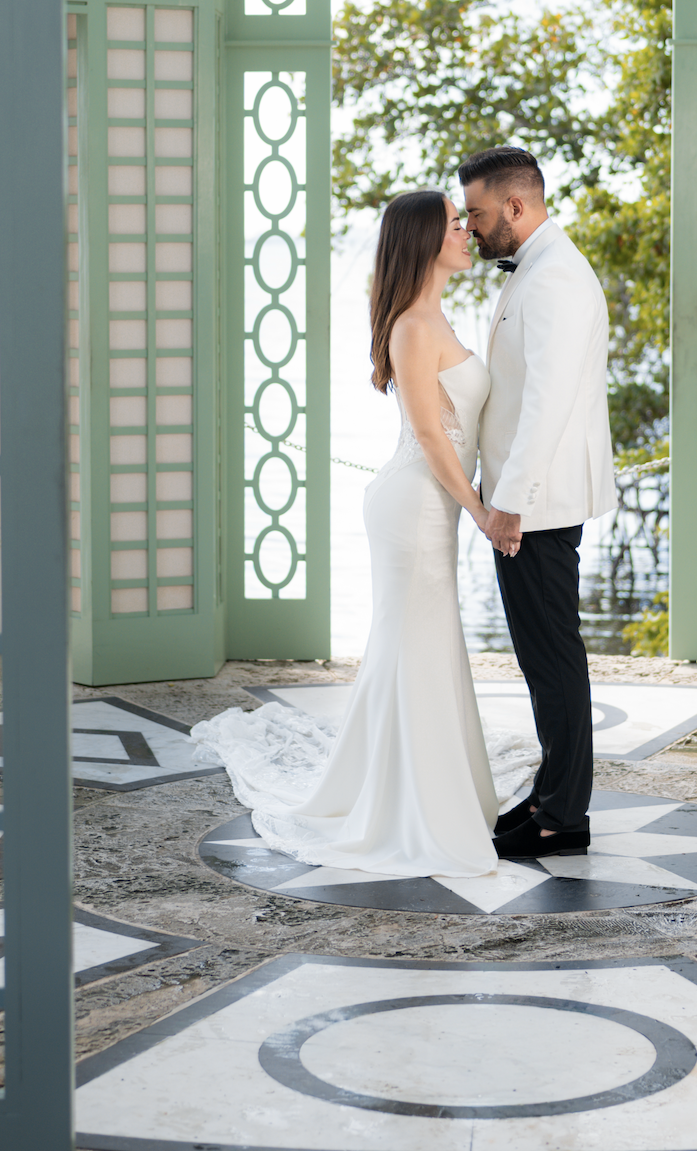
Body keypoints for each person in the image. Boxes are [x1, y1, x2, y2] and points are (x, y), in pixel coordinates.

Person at [192, 190, 535, 878]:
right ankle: (408, 803)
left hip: (429, 506)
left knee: (421, 645)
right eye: (453, 224)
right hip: (413, 506)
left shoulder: (435, 315)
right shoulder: (412, 327)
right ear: (423, 242)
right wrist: (480, 509)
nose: (468, 231)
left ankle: (433, 786)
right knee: (414, 644)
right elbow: (431, 437)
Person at [459, 146, 617, 861]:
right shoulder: (540, 267)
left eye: (480, 214)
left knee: (553, 659)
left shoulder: (554, 279)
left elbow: (547, 404)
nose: (473, 227)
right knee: (544, 658)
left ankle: (563, 819)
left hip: (539, 504)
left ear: (516, 207)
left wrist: (508, 502)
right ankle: (555, 797)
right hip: (533, 498)